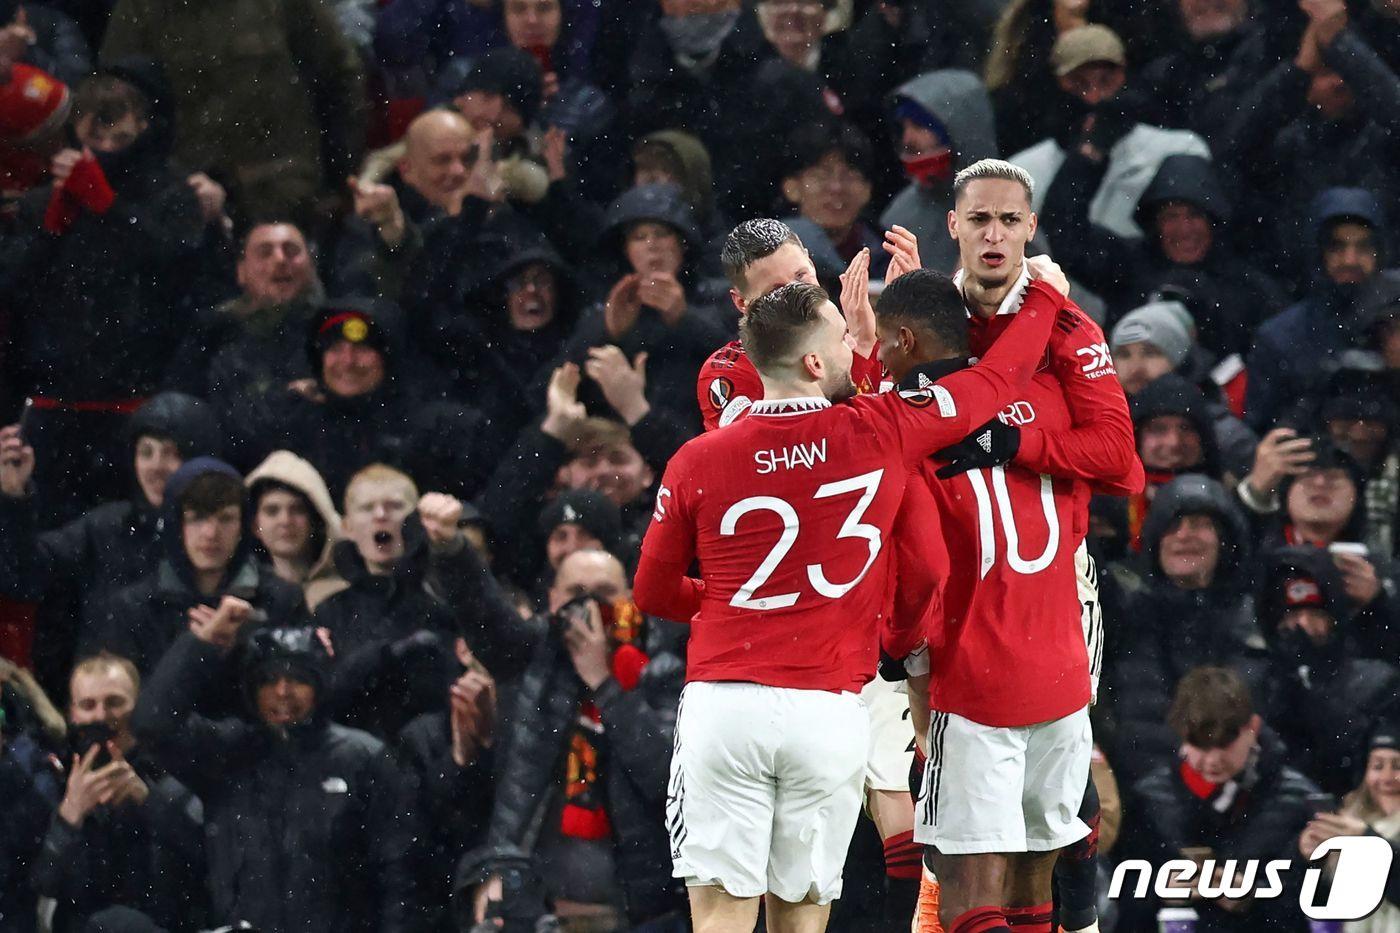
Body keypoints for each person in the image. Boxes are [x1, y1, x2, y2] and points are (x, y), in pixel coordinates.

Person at [634, 269, 1062, 931]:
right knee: (802, 922)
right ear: (812, 361)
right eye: (844, 339)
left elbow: (651, 591)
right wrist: (1044, 300)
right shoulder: (880, 429)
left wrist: (730, 603)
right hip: (826, 712)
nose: (858, 350)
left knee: (719, 919)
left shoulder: (697, 458)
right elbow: (995, 385)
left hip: (724, 707)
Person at [889, 160, 1140, 933]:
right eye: (980, 219)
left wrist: (1017, 441)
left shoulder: (1070, 328)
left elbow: (1122, 463)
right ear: (954, 228)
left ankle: (1080, 868)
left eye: (1009, 221)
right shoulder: (935, 323)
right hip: (959, 591)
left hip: (1052, 588)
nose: (994, 234)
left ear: (1030, 231)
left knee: (1036, 812)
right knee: (957, 826)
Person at [0, 62, 210, 523]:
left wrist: (110, 207)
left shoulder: (171, 194)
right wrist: (48, 231)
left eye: (112, 115)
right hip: (54, 405)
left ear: (145, 121)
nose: (95, 128)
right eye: (86, 114)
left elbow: (181, 267)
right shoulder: (43, 198)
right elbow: (13, 291)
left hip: (137, 406)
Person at [132, 624, 418, 933]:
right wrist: (203, 642)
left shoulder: (363, 758)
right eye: (268, 679)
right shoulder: (226, 753)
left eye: (298, 678)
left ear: (320, 686)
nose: (282, 691)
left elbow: (399, 871)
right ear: (252, 690)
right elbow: (151, 723)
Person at [467, 549, 687, 930]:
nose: (589, 606)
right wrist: (452, 551)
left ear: (630, 598)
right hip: (541, 910)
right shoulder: (531, 662)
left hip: (640, 912)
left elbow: (666, 779)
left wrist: (604, 682)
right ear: (553, 599)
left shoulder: (664, 669)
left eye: (604, 592)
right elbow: (481, 611)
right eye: (576, 592)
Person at [0, 392, 221, 695]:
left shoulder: (224, 535)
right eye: (146, 452)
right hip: (103, 707)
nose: (156, 466)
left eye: (171, 453)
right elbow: (23, 577)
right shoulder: (105, 528)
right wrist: (13, 497)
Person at [314, 465, 530, 739]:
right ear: (347, 527)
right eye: (367, 508)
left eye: (393, 506)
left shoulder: (444, 597)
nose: (381, 516)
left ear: (415, 521)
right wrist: (387, 654)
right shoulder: (330, 610)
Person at [99, 0, 366, 221]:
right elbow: (114, 105)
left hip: (290, 197)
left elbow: (339, 76)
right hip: (191, 209)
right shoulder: (140, 9)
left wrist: (340, 176)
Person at [1120, 666, 1320, 932]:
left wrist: (1254, 898)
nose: (1213, 760)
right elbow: (1119, 899)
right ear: (1181, 735)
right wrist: (1161, 892)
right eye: (1200, 745)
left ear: (1253, 727)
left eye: (1225, 743)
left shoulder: (1298, 799)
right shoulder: (1149, 800)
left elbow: (1320, 905)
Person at [1101, 475, 1266, 785]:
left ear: (1225, 540)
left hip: (1239, 794)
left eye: (1199, 524)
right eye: (1172, 527)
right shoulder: (1123, 614)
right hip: (1141, 798)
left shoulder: (1257, 615)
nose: (1184, 536)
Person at [1220, 0, 1400, 279]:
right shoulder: (1286, 144)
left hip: (1385, 299)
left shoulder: (1386, 138)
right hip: (1299, 294)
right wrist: (1300, 69)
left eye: (1346, 72)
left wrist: (1340, 42)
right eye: (1326, 71)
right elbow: (1234, 146)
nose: (1339, 82)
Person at [1042, 153, 1285, 360]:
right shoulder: (1127, 266)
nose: (1184, 229)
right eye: (1171, 217)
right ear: (1154, 224)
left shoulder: (1250, 288)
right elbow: (1065, 231)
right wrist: (1088, 156)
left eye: (1194, 215)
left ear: (1213, 219)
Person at [86, 457, 306, 678]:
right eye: (197, 518)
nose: (211, 533)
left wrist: (247, 643)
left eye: (226, 518)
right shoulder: (132, 609)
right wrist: (197, 648)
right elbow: (134, 707)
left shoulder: (282, 600)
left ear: (243, 526)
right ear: (175, 525)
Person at [33, 653, 205, 932]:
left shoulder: (176, 770)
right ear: (72, 713)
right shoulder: (50, 778)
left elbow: (208, 863)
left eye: (115, 702)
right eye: (88, 705)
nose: (102, 716)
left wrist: (150, 802)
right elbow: (41, 885)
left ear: (139, 705)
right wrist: (69, 817)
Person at [1013, 25, 1210, 246]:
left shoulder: (1179, 150)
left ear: (1124, 76)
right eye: (1080, 83)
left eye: (1105, 81)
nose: (1094, 97)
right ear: (1058, 85)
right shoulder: (1022, 173)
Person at [695, 218, 881, 432]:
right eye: (777, 292)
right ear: (741, 303)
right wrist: (862, 354)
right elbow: (771, 443)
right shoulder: (727, 372)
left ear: (812, 265)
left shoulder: (876, 337)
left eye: (801, 276)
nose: (798, 295)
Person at [1245, 188, 1400, 432]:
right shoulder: (1279, 339)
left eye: (1363, 247)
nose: (1350, 260)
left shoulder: (1394, 330)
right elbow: (1262, 433)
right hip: (1311, 465)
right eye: (1337, 247)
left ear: (1379, 252)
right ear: (1319, 253)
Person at [1257, 546, 1400, 796]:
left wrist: (1314, 688)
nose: (1303, 624)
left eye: (1315, 613)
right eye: (1292, 614)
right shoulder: (1255, 681)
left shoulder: (1377, 683)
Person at [166, 220, 325, 431]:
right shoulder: (211, 333)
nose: (280, 259)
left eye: (291, 250)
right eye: (265, 252)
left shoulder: (331, 328)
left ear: (312, 265)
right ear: (241, 271)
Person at [398, 636, 498, 933]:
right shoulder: (422, 736)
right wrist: (460, 760)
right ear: (464, 649)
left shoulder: (542, 725)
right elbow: (413, 844)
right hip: (444, 910)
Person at [878, 69, 998, 275]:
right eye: (903, 127)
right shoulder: (901, 215)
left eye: (919, 126)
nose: (908, 139)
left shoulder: (1007, 206)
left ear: (959, 130)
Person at [1297, 719, 1400, 933]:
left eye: (1398, 766)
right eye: (1377, 766)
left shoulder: (1361, 833)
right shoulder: (1352, 824)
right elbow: (1323, 910)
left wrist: (1368, 842)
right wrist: (1315, 860)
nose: (1387, 777)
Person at [780, 121, 888, 283]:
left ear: (867, 190)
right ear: (792, 188)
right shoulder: (764, 256)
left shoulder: (890, 255)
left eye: (850, 176)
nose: (836, 187)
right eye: (821, 176)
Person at [244, 449, 343, 594]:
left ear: (315, 521)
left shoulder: (342, 597)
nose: (285, 521)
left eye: (297, 510)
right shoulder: (241, 599)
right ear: (255, 526)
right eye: (272, 511)